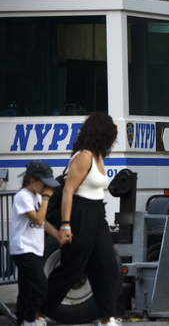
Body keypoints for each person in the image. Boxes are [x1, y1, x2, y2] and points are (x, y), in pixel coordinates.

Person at [39, 112, 121, 326]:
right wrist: (65, 225)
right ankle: (37, 313)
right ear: (99, 133)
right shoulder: (83, 156)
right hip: (79, 213)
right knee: (71, 270)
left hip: (97, 215)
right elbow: (68, 192)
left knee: (107, 266)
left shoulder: (98, 156)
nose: (113, 137)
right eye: (110, 132)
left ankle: (106, 318)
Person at [10, 161, 61, 326]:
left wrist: (58, 235)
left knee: (25, 291)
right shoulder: (22, 197)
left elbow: (44, 222)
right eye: (44, 184)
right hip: (23, 248)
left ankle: (21, 322)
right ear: (32, 181)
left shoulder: (37, 196)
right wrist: (46, 198)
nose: (47, 188)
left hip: (35, 248)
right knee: (40, 286)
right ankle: (29, 320)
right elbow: (38, 219)